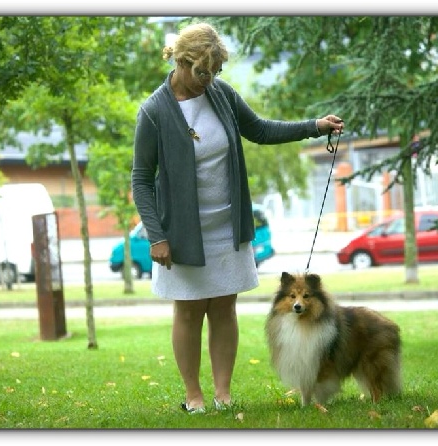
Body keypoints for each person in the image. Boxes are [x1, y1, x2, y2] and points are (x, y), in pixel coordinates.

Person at [131, 21, 344, 414]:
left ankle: (223, 394)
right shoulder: (154, 111)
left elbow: (260, 129)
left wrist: (314, 127)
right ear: (182, 61)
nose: (207, 80)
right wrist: (155, 235)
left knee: (224, 309)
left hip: (226, 227)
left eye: (214, 73)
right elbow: (141, 179)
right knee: (189, 310)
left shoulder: (221, 95)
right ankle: (194, 395)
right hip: (181, 233)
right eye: (202, 72)